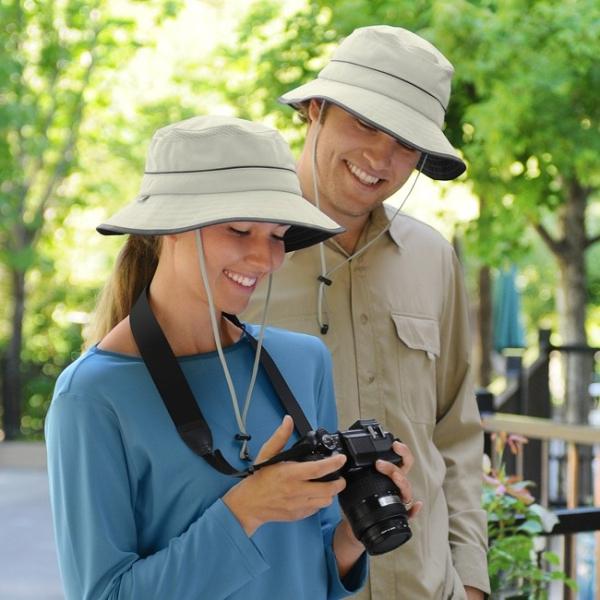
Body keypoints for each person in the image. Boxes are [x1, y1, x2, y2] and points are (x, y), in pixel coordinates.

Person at [45, 116, 421, 600]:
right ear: (170, 229)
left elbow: (312, 567)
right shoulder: (92, 396)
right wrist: (247, 508)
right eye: (240, 230)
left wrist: (356, 532)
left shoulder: (304, 362)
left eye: (278, 235)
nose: (266, 260)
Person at [244, 26, 490, 599]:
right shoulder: (233, 254)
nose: (381, 158)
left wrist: (470, 580)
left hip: (426, 587)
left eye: (406, 143)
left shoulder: (434, 258)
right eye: (366, 124)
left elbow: (455, 433)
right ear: (315, 109)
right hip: (285, 585)